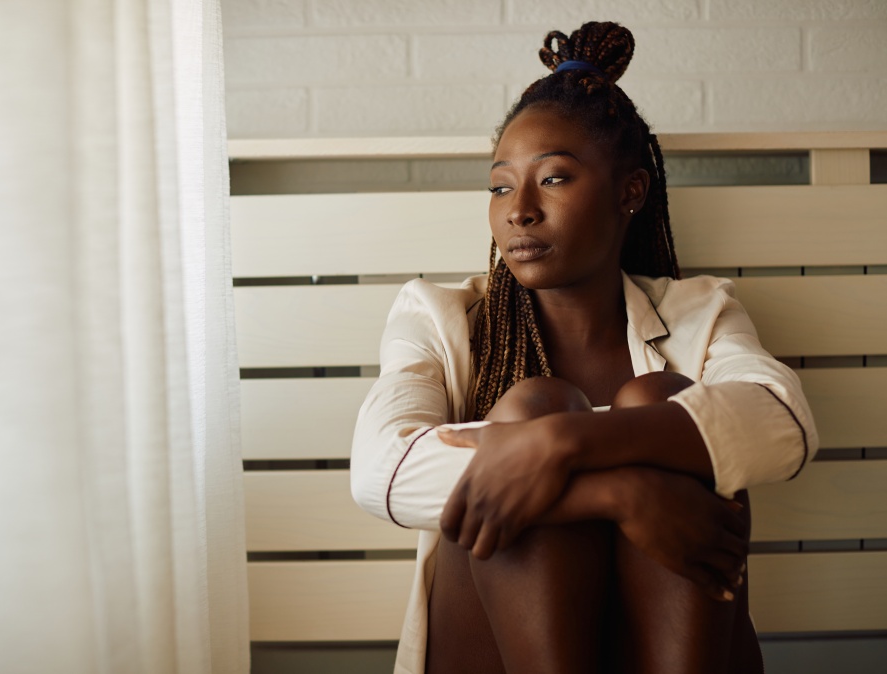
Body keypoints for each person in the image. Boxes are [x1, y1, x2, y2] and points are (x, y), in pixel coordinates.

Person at [350, 21, 817, 674]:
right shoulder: (436, 315)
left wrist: (561, 445)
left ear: (631, 191)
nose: (519, 209)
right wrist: (619, 493)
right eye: (500, 186)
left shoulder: (700, 312)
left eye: (554, 179)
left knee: (654, 399)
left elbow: (784, 422)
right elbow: (380, 471)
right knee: (532, 406)